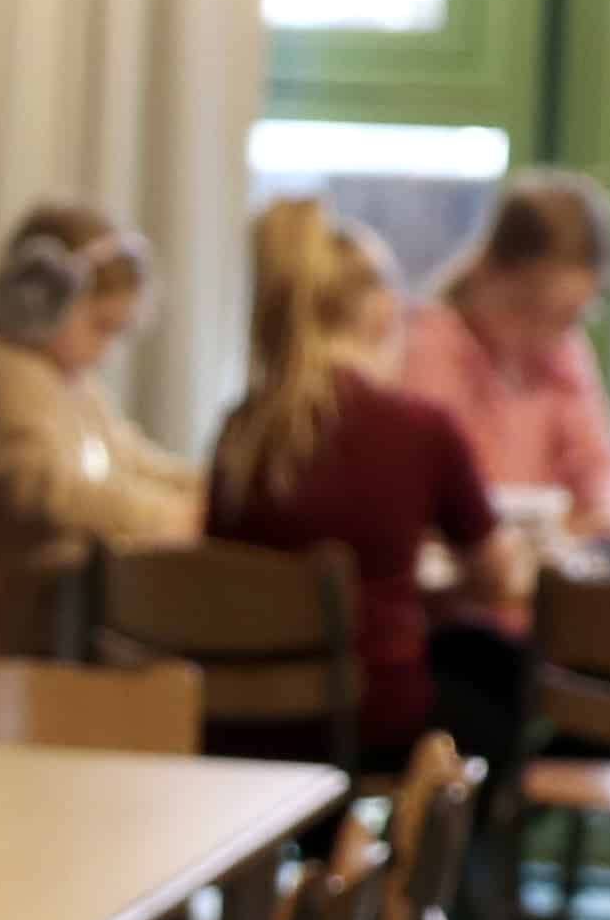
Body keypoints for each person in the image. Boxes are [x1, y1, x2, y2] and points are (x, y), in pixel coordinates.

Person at [212, 196, 521, 771]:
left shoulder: (241, 431)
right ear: (381, 315)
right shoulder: (419, 429)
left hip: (236, 721)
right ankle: (444, 831)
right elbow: (498, 579)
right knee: (505, 683)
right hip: (367, 718)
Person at [397, 167, 610, 737]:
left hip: (548, 613)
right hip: (459, 614)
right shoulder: (429, 346)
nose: (545, 334)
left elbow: (601, 463)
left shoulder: (563, 351)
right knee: (490, 685)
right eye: (532, 310)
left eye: (566, 319)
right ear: (493, 272)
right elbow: (439, 499)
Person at [0, 200, 199, 653]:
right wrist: (171, 517)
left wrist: (214, 490)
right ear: (37, 298)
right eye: (99, 326)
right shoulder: (1, 377)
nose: (105, 350)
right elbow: (48, 490)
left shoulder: (67, 382)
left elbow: (131, 458)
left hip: (56, 617)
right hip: (23, 626)